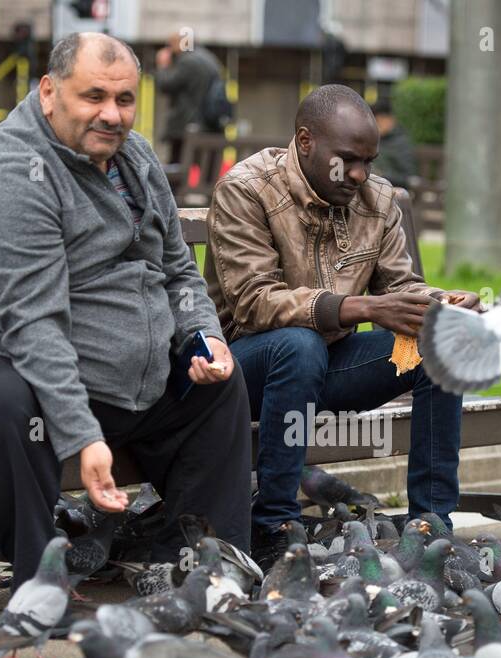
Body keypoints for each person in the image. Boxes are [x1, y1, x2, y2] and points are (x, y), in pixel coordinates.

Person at [0, 32, 251, 589]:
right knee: (8, 400)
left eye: (124, 99)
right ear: (49, 92)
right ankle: (38, 581)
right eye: (93, 96)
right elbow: (34, 323)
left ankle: (191, 572)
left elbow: (177, 271)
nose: (112, 114)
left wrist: (203, 337)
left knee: (217, 387)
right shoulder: (10, 171)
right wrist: (81, 437)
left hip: (92, 373)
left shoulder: (137, 158)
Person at [204, 84, 480, 570]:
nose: (359, 174)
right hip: (243, 367)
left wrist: (444, 304)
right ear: (305, 141)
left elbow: (401, 284)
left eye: (368, 162)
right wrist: (365, 309)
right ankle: (275, 527)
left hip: (325, 364)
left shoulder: (375, 199)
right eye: (348, 160)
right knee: (298, 344)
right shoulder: (247, 189)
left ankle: (432, 529)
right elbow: (253, 303)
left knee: (437, 346)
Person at [153, 32, 223, 163]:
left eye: (171, 45)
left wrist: (162, 65)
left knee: (176, 169)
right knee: (207, 171)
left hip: (186, 126)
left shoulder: (187, 61)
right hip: (210, 125)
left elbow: (165, 85)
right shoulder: (209, 58)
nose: (169, 50)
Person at [370, 99, 416, 188]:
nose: (376, 125)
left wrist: (382, 175)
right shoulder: (377, 139)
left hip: (394, 189)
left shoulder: (401, 143)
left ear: (390, 119)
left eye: (379, 121)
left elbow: (408, 178)